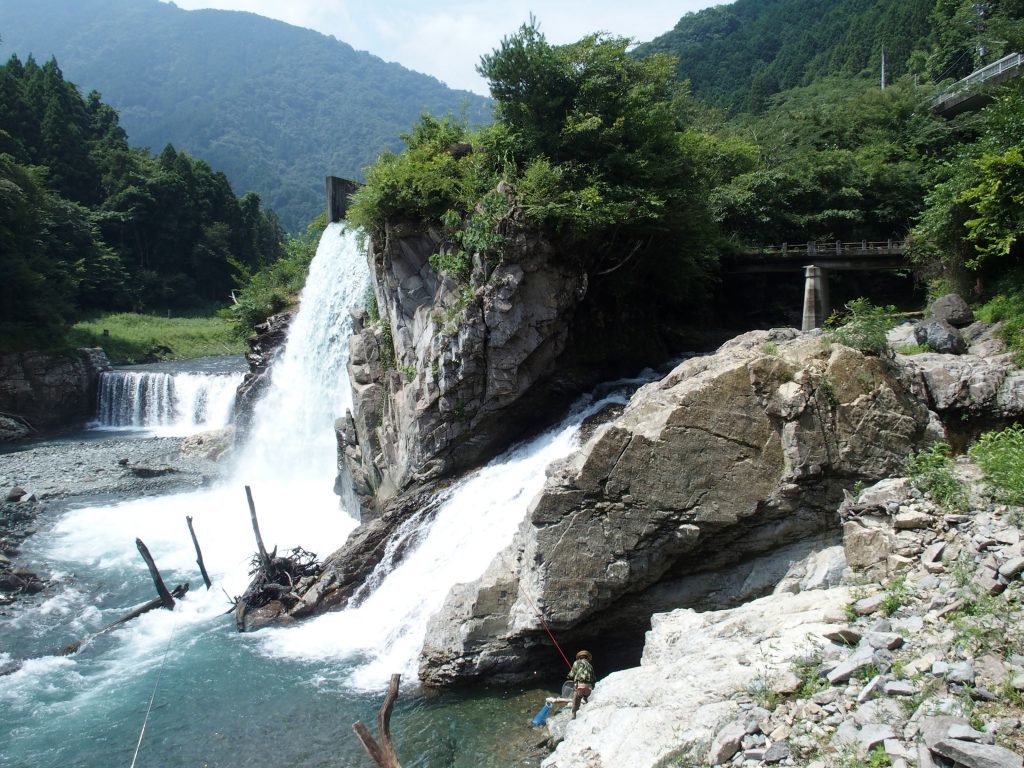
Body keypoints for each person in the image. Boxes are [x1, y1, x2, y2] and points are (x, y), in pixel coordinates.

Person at [567, 650, 595, 718]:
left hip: (580, 686)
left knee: (576, 698)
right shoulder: (590, 666)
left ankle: (574, 714)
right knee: (586, 699)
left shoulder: (576, 663)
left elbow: (571, 675)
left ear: (579, 657)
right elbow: (594, 679)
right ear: (587, 658)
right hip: (589, 688)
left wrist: (568, 676)